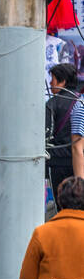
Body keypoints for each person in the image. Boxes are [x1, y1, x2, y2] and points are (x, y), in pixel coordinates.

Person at [46, 64, 81, 198]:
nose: (50, 83)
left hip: (57, 164)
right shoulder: (81, 102)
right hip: (78, 162)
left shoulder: (51, 104)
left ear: (63, 82)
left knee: (62, 201)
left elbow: (45, 134)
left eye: (53, 79)